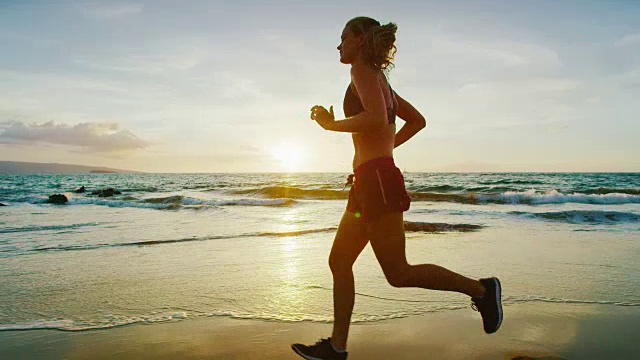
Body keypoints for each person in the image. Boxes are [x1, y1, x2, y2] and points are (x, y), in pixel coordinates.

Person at [292, 16, 502, 360]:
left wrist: (331, 127)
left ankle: (481, 290)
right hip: (369, 180)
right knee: (340, 261)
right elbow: (416, 121)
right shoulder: (380, 79)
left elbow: (376, 119)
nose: (338, 45)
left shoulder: (361, 71)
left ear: (360, 39)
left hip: (377, 181)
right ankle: (336, 347)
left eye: (343, 37)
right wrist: (378, 157)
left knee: (398, 273)